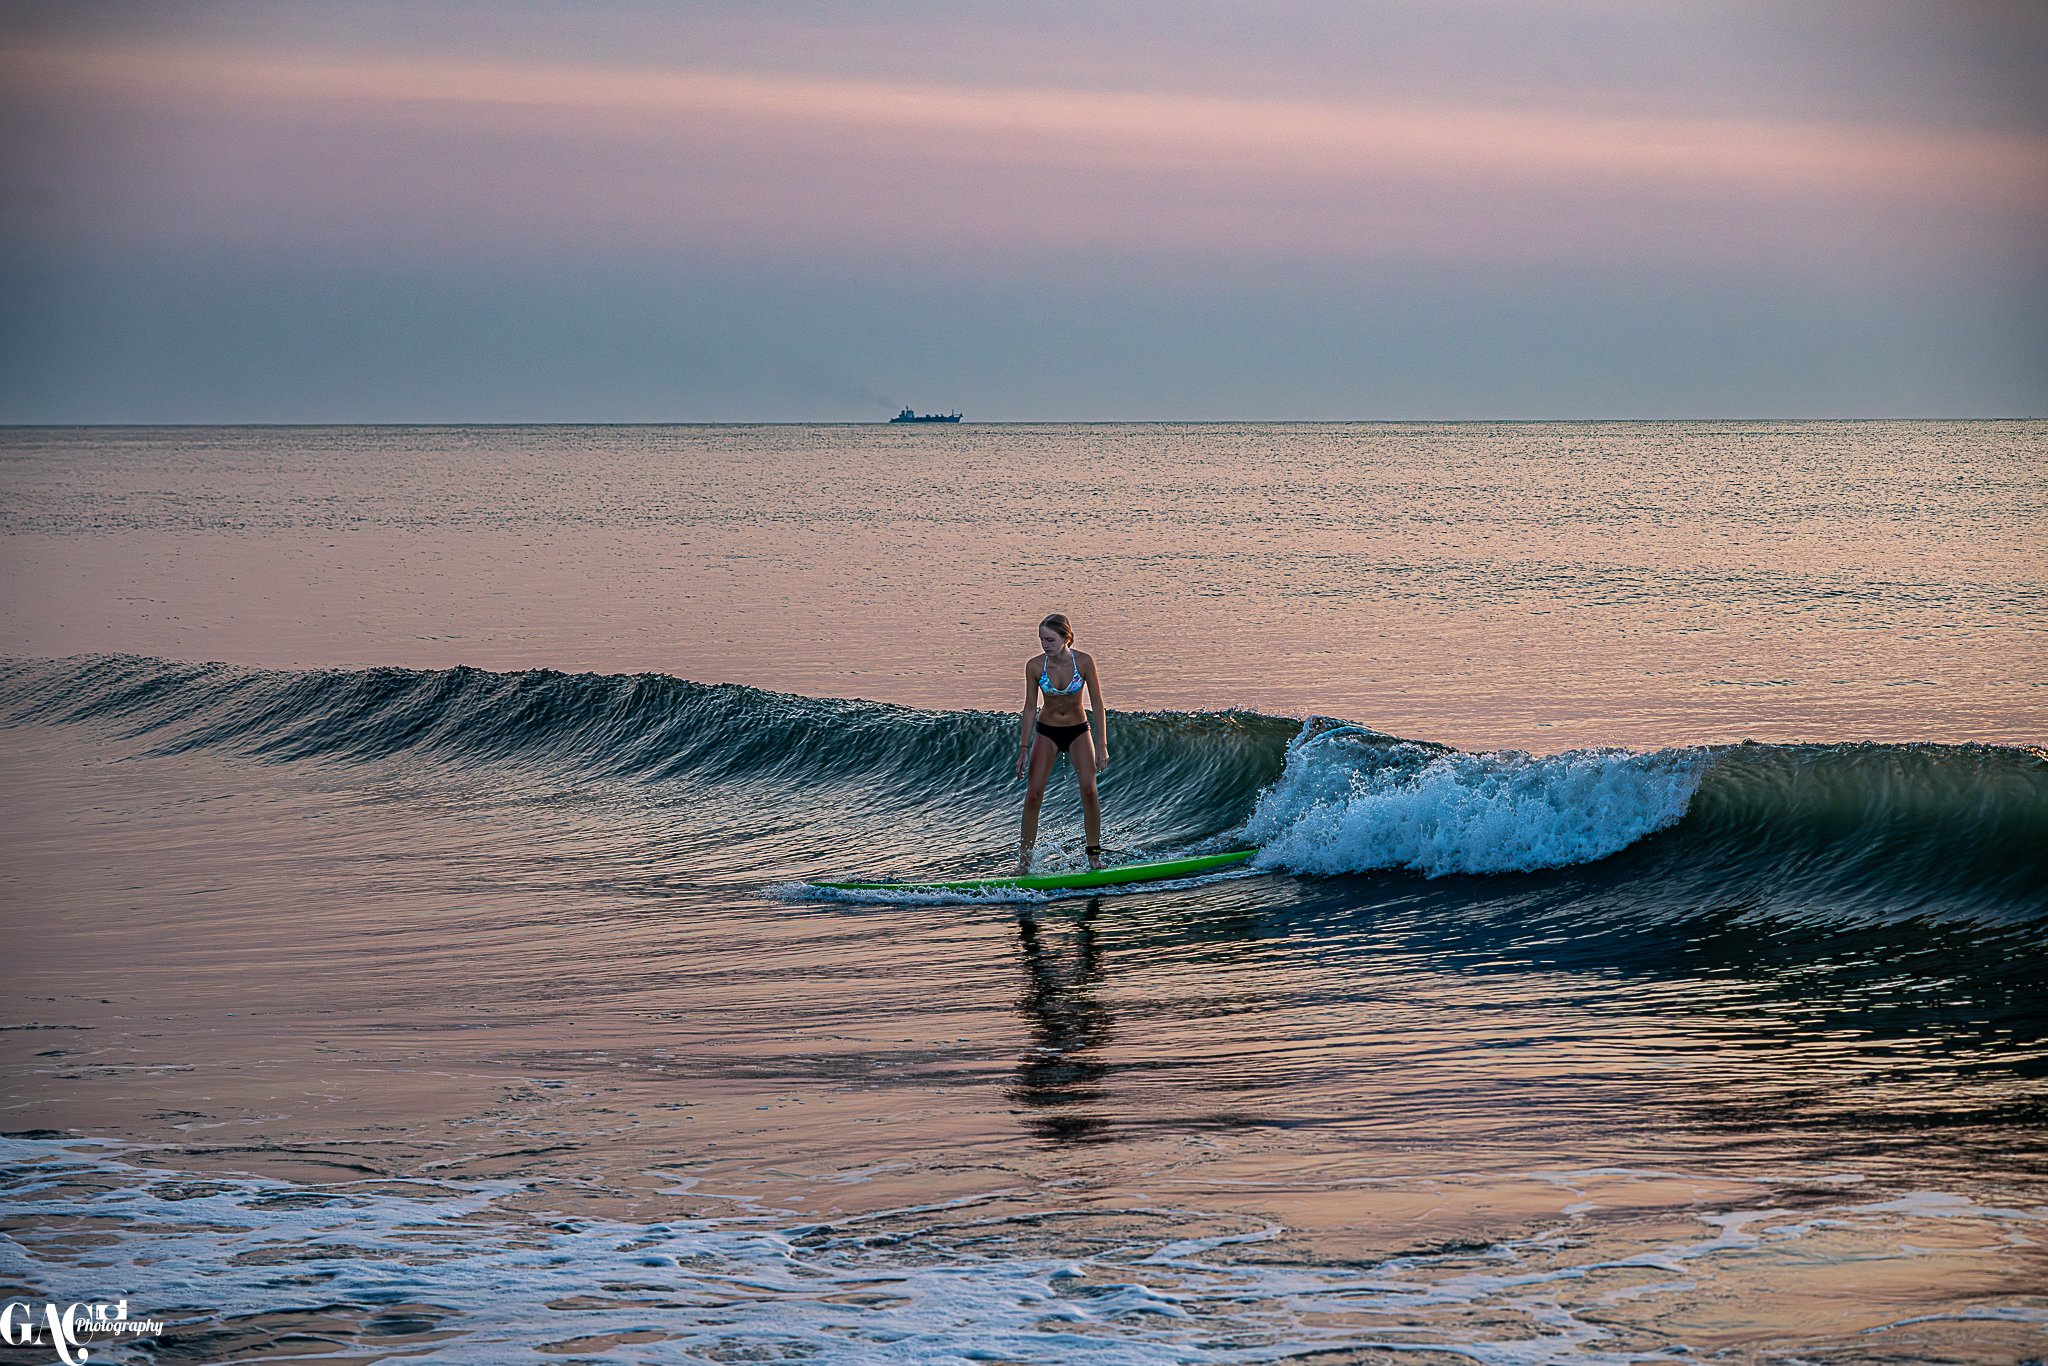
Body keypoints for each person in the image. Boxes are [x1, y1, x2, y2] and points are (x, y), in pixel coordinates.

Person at [1015, 612, 1109, 874]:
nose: (1045, 645)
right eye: (1041, 640)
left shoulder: (1084, 662)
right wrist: (1024, 748)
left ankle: (1093, 855)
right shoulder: (1035, 666)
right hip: (1047, 732)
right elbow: (1030, 707)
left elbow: (1099, 704)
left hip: (1079, 731)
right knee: (1033, 795)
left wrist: (1102, 744)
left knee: (1090, 791)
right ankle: (1024, 863)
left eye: (1050, 639)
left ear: (1066, 638)